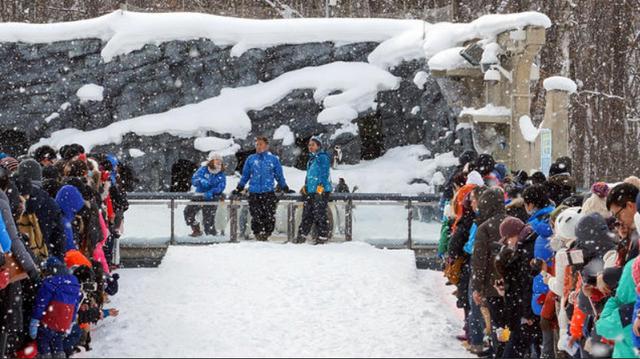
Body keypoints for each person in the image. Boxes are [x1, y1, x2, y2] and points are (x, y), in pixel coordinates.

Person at [233, 137, 292, 241]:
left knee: (269, 214)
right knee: (256, 214)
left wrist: (284, 187)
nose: (258, 146)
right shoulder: (251, 159)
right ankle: (258, 234)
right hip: (254, 192)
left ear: (266, 146)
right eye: (257, 144)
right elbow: (245, 175)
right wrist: (239, 187)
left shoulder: (273, 159)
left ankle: (267, 233)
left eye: (260, 144)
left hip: (268, 192)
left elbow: (279, 175)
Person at [471, 187, 507, 357]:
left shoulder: (484, 228)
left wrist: (477, 287)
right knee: (510, 323)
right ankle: (505, 350)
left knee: (495, 322)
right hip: (512, 284)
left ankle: (498, 351)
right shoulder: (514, 222)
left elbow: (479, 261)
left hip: (492, 285)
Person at [29, 257, 81, 359]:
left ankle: (45, 355)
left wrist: (34, 321)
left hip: (50, 320)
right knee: (57, 343)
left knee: (43, 340)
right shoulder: (74, 284)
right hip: (64, 322)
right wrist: (71, 321)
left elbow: (41, 304)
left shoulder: (50, 283)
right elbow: (75, 305)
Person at [295, 137, 332, 245]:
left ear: (318, 146)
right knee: (307, 213)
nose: (310, 147)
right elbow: (310, 176)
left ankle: (322, 236)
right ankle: (301, 236)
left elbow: (324, 174)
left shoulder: (322, 157)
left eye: (313, 145)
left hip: (321, 190)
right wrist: (306, 186)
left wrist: (319, 190)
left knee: (319, 213)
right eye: (309, 145)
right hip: (311, 190)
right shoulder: (312, 159)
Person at [184, 153, 227, 237]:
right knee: (188, 212)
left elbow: (221, 186)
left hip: (211, 198)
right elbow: (194, 179)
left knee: (208, 220)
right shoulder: (203, 169)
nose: (218, 162)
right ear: (211, 161)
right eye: (216, 159)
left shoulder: (221, 174)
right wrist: (201, 181)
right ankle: (196, 229)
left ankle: (211, 237)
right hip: (199, 196)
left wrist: (212, 191)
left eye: (220, 160)